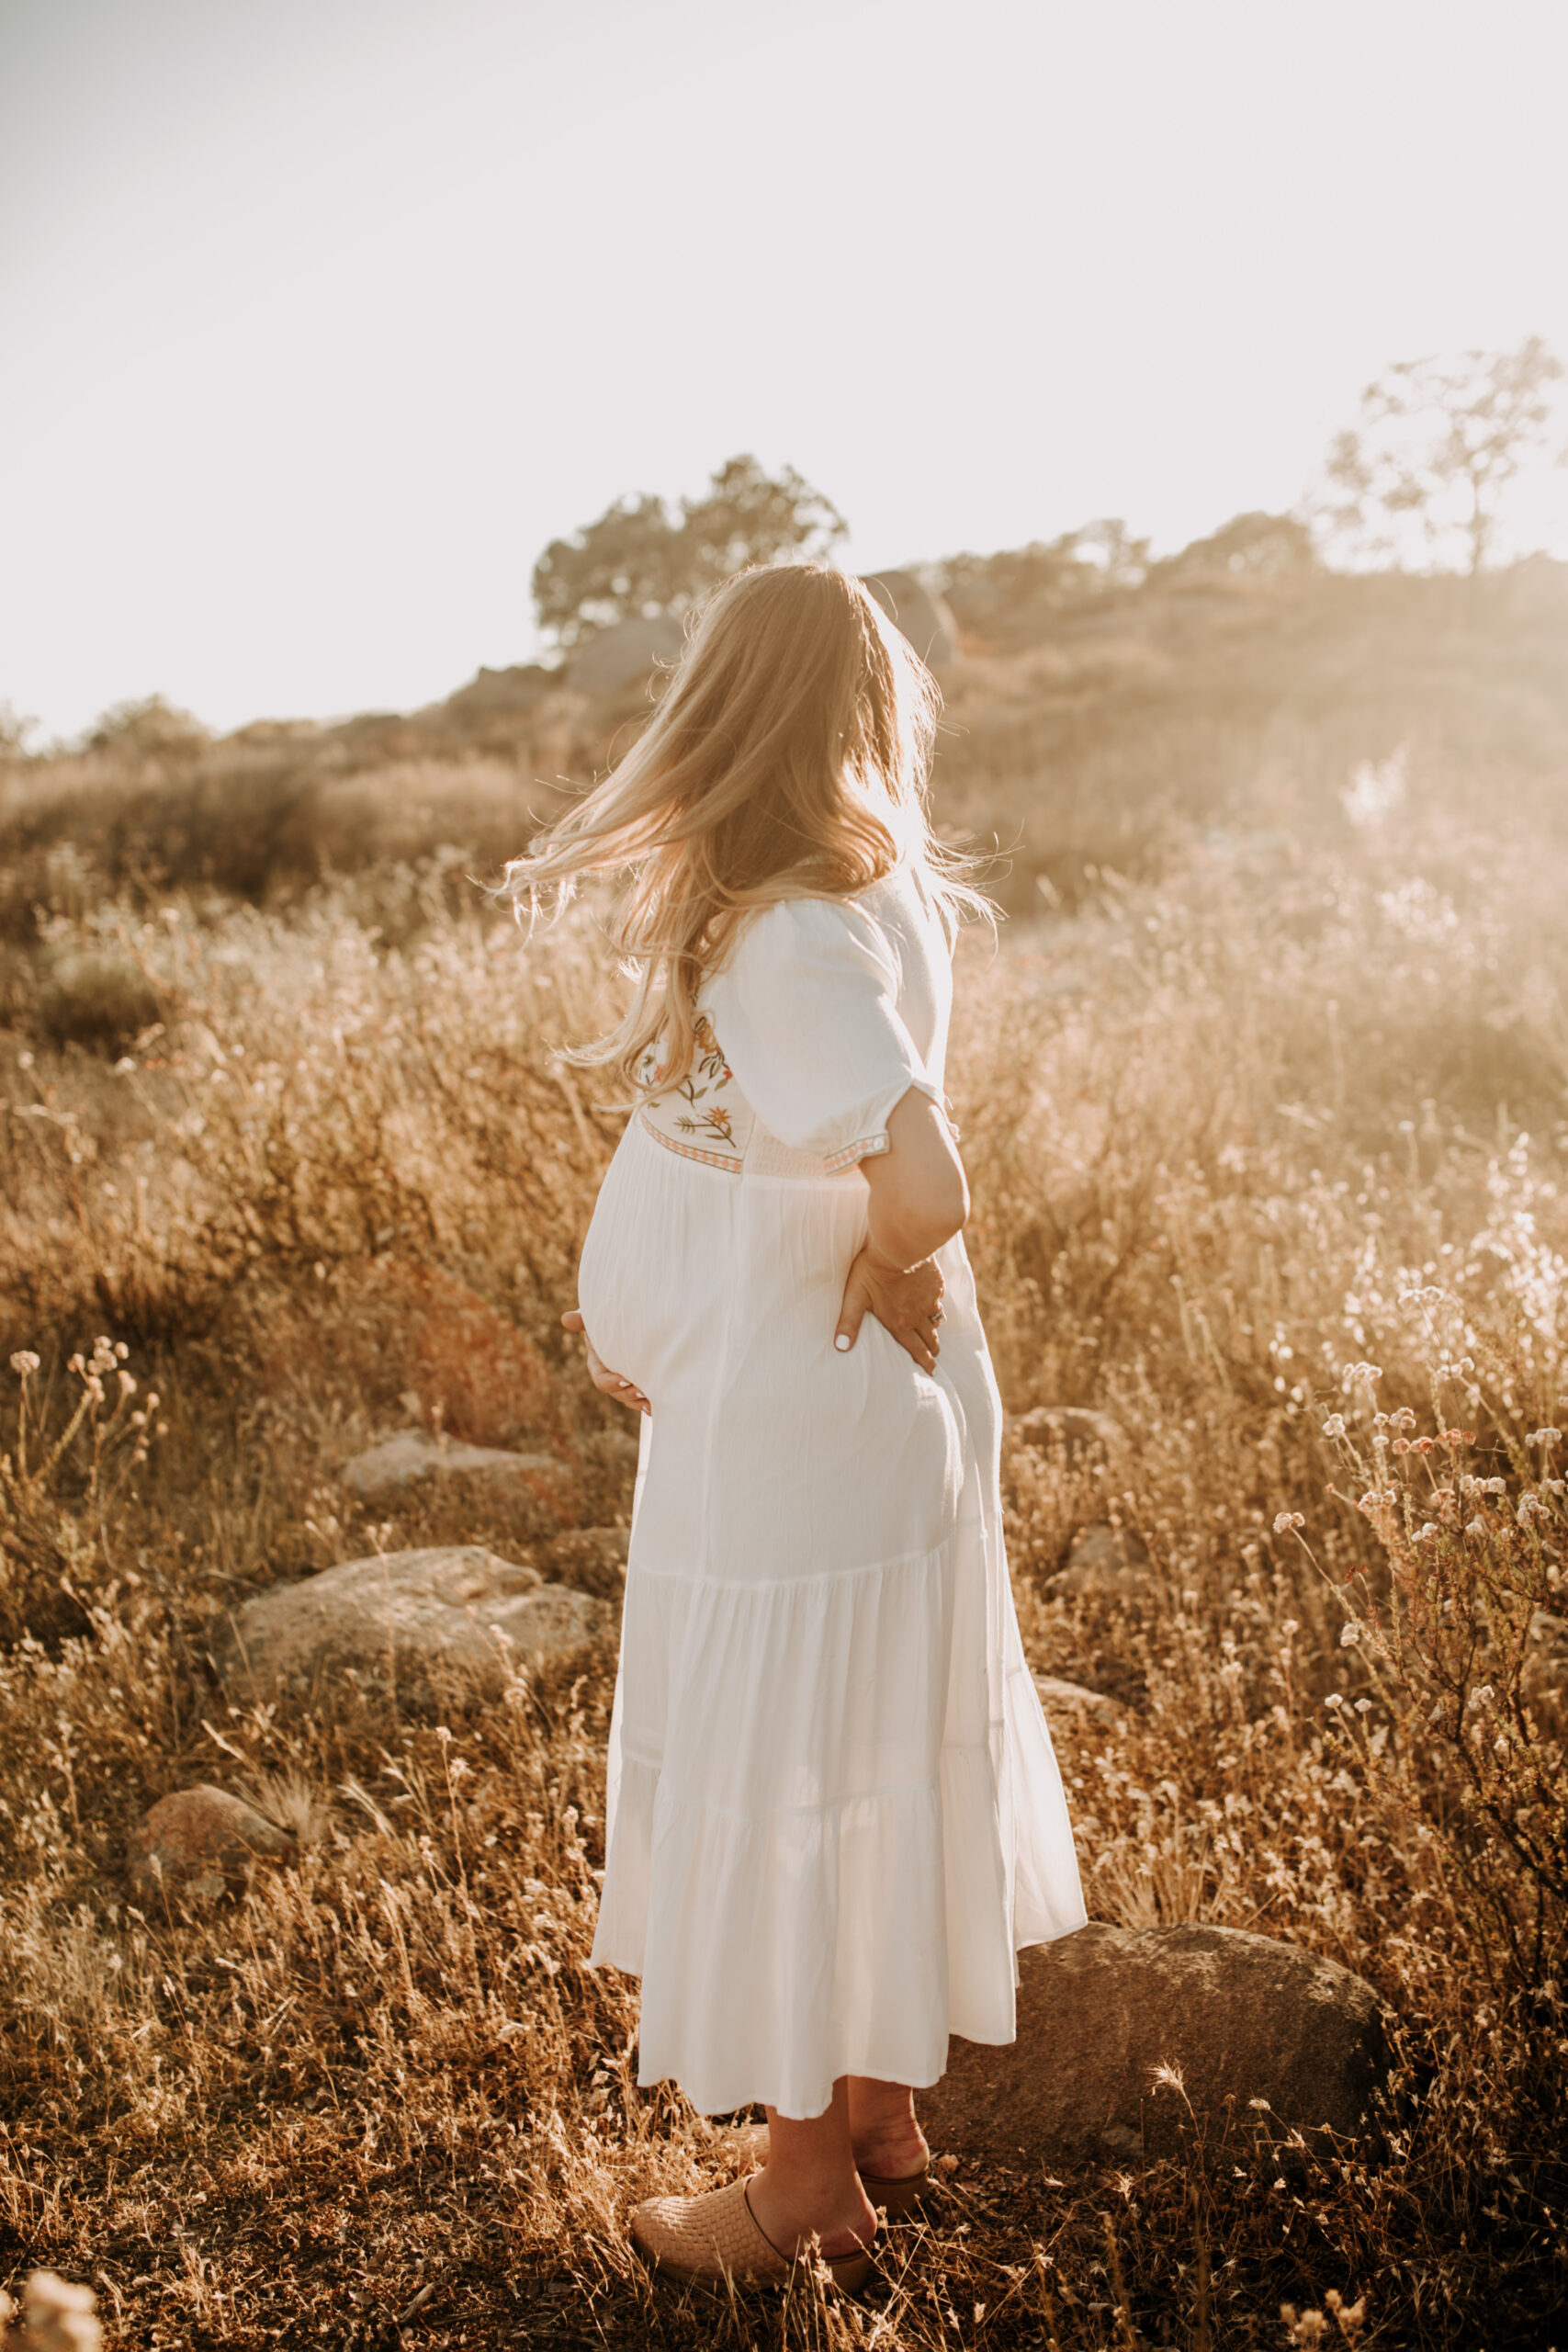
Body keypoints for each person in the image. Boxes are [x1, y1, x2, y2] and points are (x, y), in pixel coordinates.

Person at [506, 563, 1085, 2296]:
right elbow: (822, 1152)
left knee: (784, 1769)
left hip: (801, 1422)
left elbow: (921, 1177)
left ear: (720, 706)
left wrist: (884, 1253)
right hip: (826, 1406)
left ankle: (796, 2190)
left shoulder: (783, 926)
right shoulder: (857, 887)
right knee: (856, 1743)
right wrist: (855, 1250)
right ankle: (879, 2105)